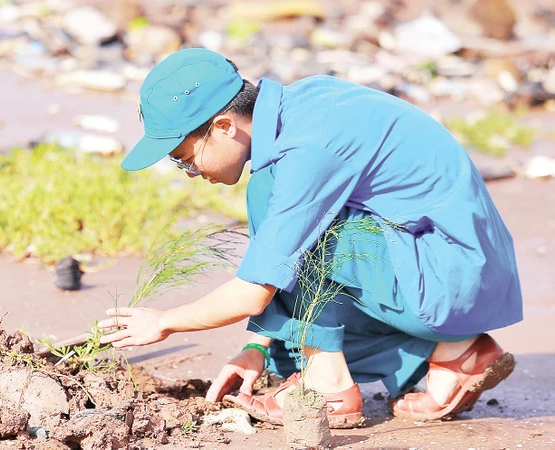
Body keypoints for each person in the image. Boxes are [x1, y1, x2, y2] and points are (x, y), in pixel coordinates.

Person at [97, 48, 522, 427]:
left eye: (185, 160)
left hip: (452, 274)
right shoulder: (299, 107)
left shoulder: (305, 150)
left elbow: (255, 291)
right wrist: (257, 350)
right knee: (287, 351)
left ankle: (330, 390)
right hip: (452, 267)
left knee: (285, 243)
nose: (193, 174)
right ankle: (458, 353)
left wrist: (164, 322)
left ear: (224, 126)